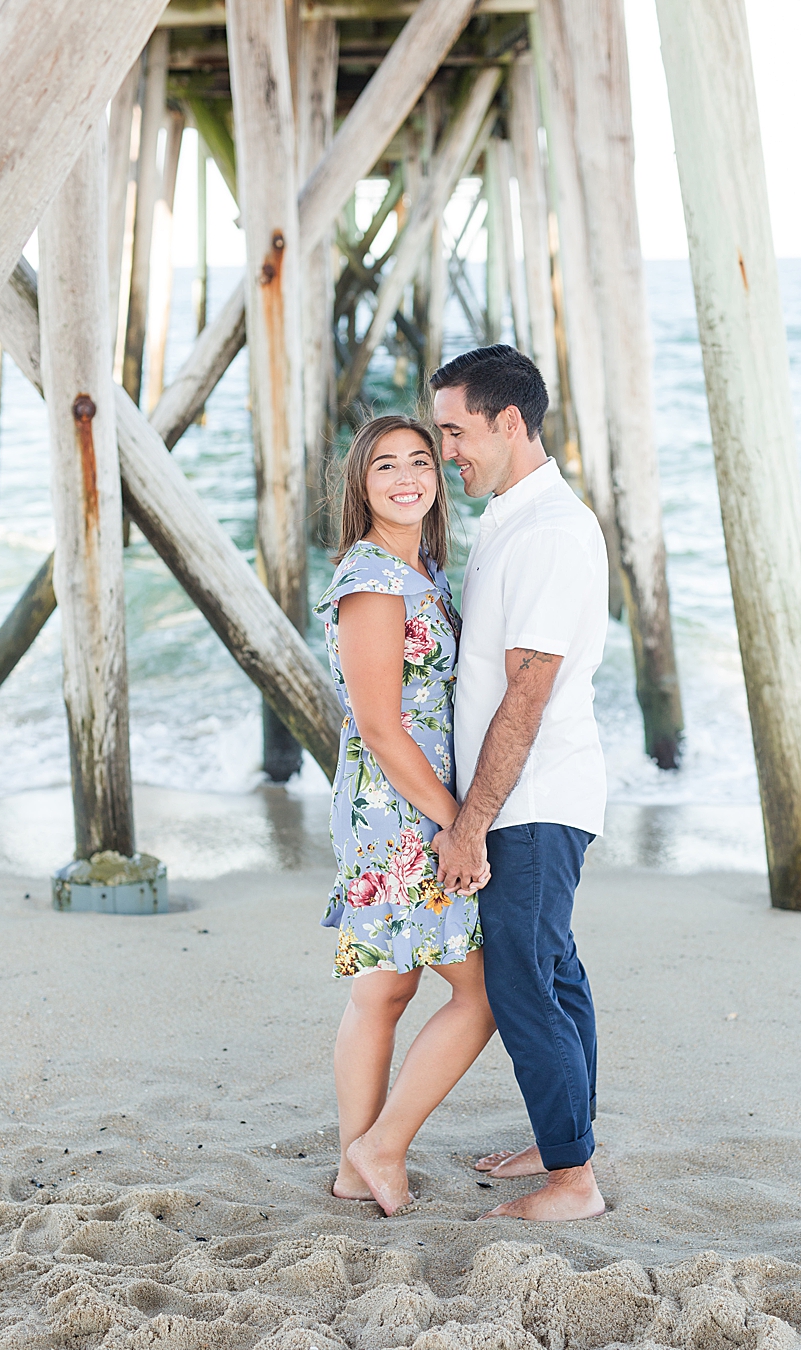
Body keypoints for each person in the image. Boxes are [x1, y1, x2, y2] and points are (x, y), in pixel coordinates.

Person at [425, 345, 612, 1223]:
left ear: (510, 423)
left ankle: (574, 1182)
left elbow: (527, 693)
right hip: (532, 797)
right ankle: (563, 1136)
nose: (445, 452)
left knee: (521, 979)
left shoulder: (546, 533)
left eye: (456, 433)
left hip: (531, 801)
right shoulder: (510, 517)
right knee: (553, 970)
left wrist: (470, 825)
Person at [319, 413, 494, 1217]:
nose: (406, 477)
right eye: (385, 465)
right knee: (482, 993)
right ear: (361, 483)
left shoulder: (418, 566)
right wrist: (459, 819)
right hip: (402, 809)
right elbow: (382, 727)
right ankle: (379, 1148)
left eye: (420, 461)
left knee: (385, 991)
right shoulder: (372, 578)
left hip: (403, 803)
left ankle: (360, 1165)